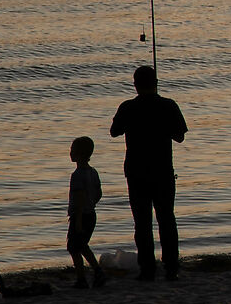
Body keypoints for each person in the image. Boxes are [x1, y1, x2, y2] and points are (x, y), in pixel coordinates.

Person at [108, 65, 187, 282]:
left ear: (135, 84)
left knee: (142, 222)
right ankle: (171, 268)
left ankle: (147, 269)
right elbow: (180, 136)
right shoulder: (168, 106)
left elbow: (114, 132)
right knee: (166, 220)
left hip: (136, 172)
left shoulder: (127, 108)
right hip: (162, 171)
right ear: (156, 83)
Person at [67, 136, 106, 290]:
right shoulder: (93, 172)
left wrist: (77, 220)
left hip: (81, 216)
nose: (70, 153)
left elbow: (79, 198)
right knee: (82, 246)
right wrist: (92, 204)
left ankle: (83, 278)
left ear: (79, 154)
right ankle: (95, 272)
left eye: (72, 150)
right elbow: (99, 193)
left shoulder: (77, 175)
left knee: (74, 247)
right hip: (91, 214)